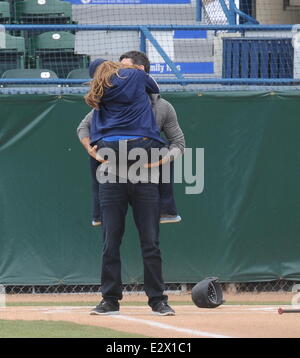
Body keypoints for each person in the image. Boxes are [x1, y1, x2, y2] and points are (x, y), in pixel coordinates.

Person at [77, 51, 185, 226]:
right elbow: (83, 128)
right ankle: (98, 214)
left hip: (147, 164)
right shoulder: (108, 103)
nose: (119, 75)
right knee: (97, 148)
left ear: (139, 70)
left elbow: (179, 144)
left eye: (124, 69)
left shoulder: (162, 106)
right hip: (113, 163)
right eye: (117, 71)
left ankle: (166, 210)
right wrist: (90, 149)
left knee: (164, 149)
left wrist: (159, 162)